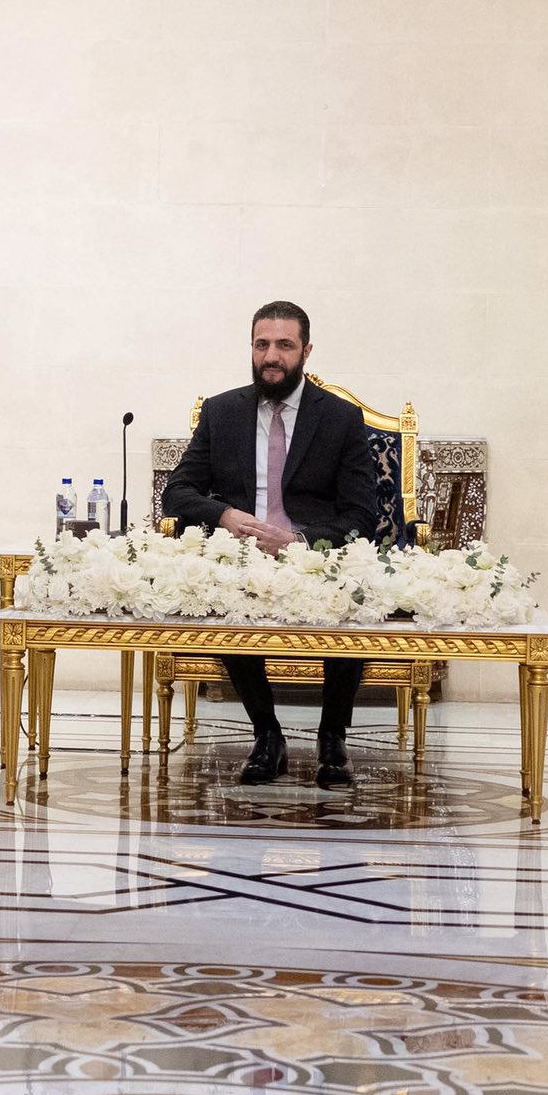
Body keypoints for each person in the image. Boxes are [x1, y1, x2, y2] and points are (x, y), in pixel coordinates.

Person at [160, 300, 392, 787]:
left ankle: (332, 737)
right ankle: (267, 734)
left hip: (313, 556)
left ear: (306, 351)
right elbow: (177, 492)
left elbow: (361, 516)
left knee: (351, 598)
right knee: (227, 600)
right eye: (262, 344)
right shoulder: (222, 412)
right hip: (241, 556)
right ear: (251, 348)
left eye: (284, 345)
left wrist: (298, 541)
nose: (271, 356)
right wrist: (225, 515)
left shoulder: (340, 418)